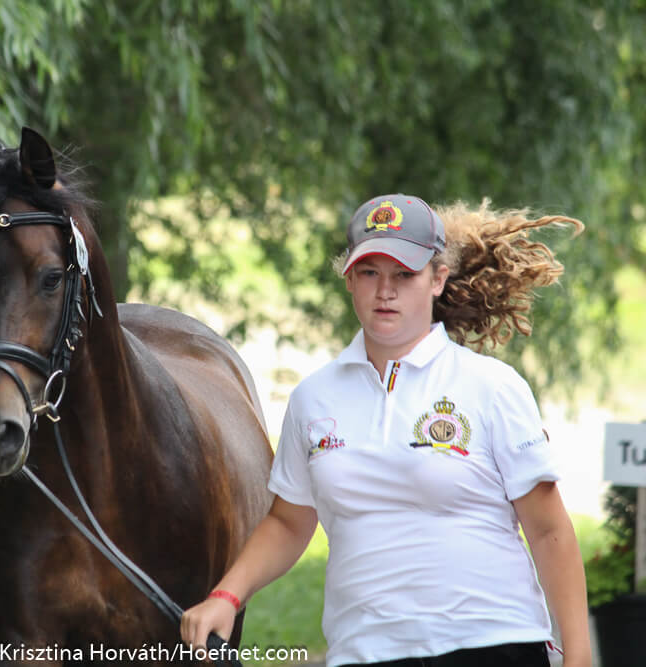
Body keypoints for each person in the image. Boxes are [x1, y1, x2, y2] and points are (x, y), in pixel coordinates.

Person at [180, 194, 592, 667]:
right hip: (363, 653)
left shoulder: (492, 387)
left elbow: (548, 529)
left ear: (437, 279)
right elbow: (289, 522)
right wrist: (226, 597)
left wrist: (578, 655)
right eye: (370, 273)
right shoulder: (314, 398)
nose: (385, 291)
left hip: (491, 645)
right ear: (349, 280)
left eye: (404, 274)